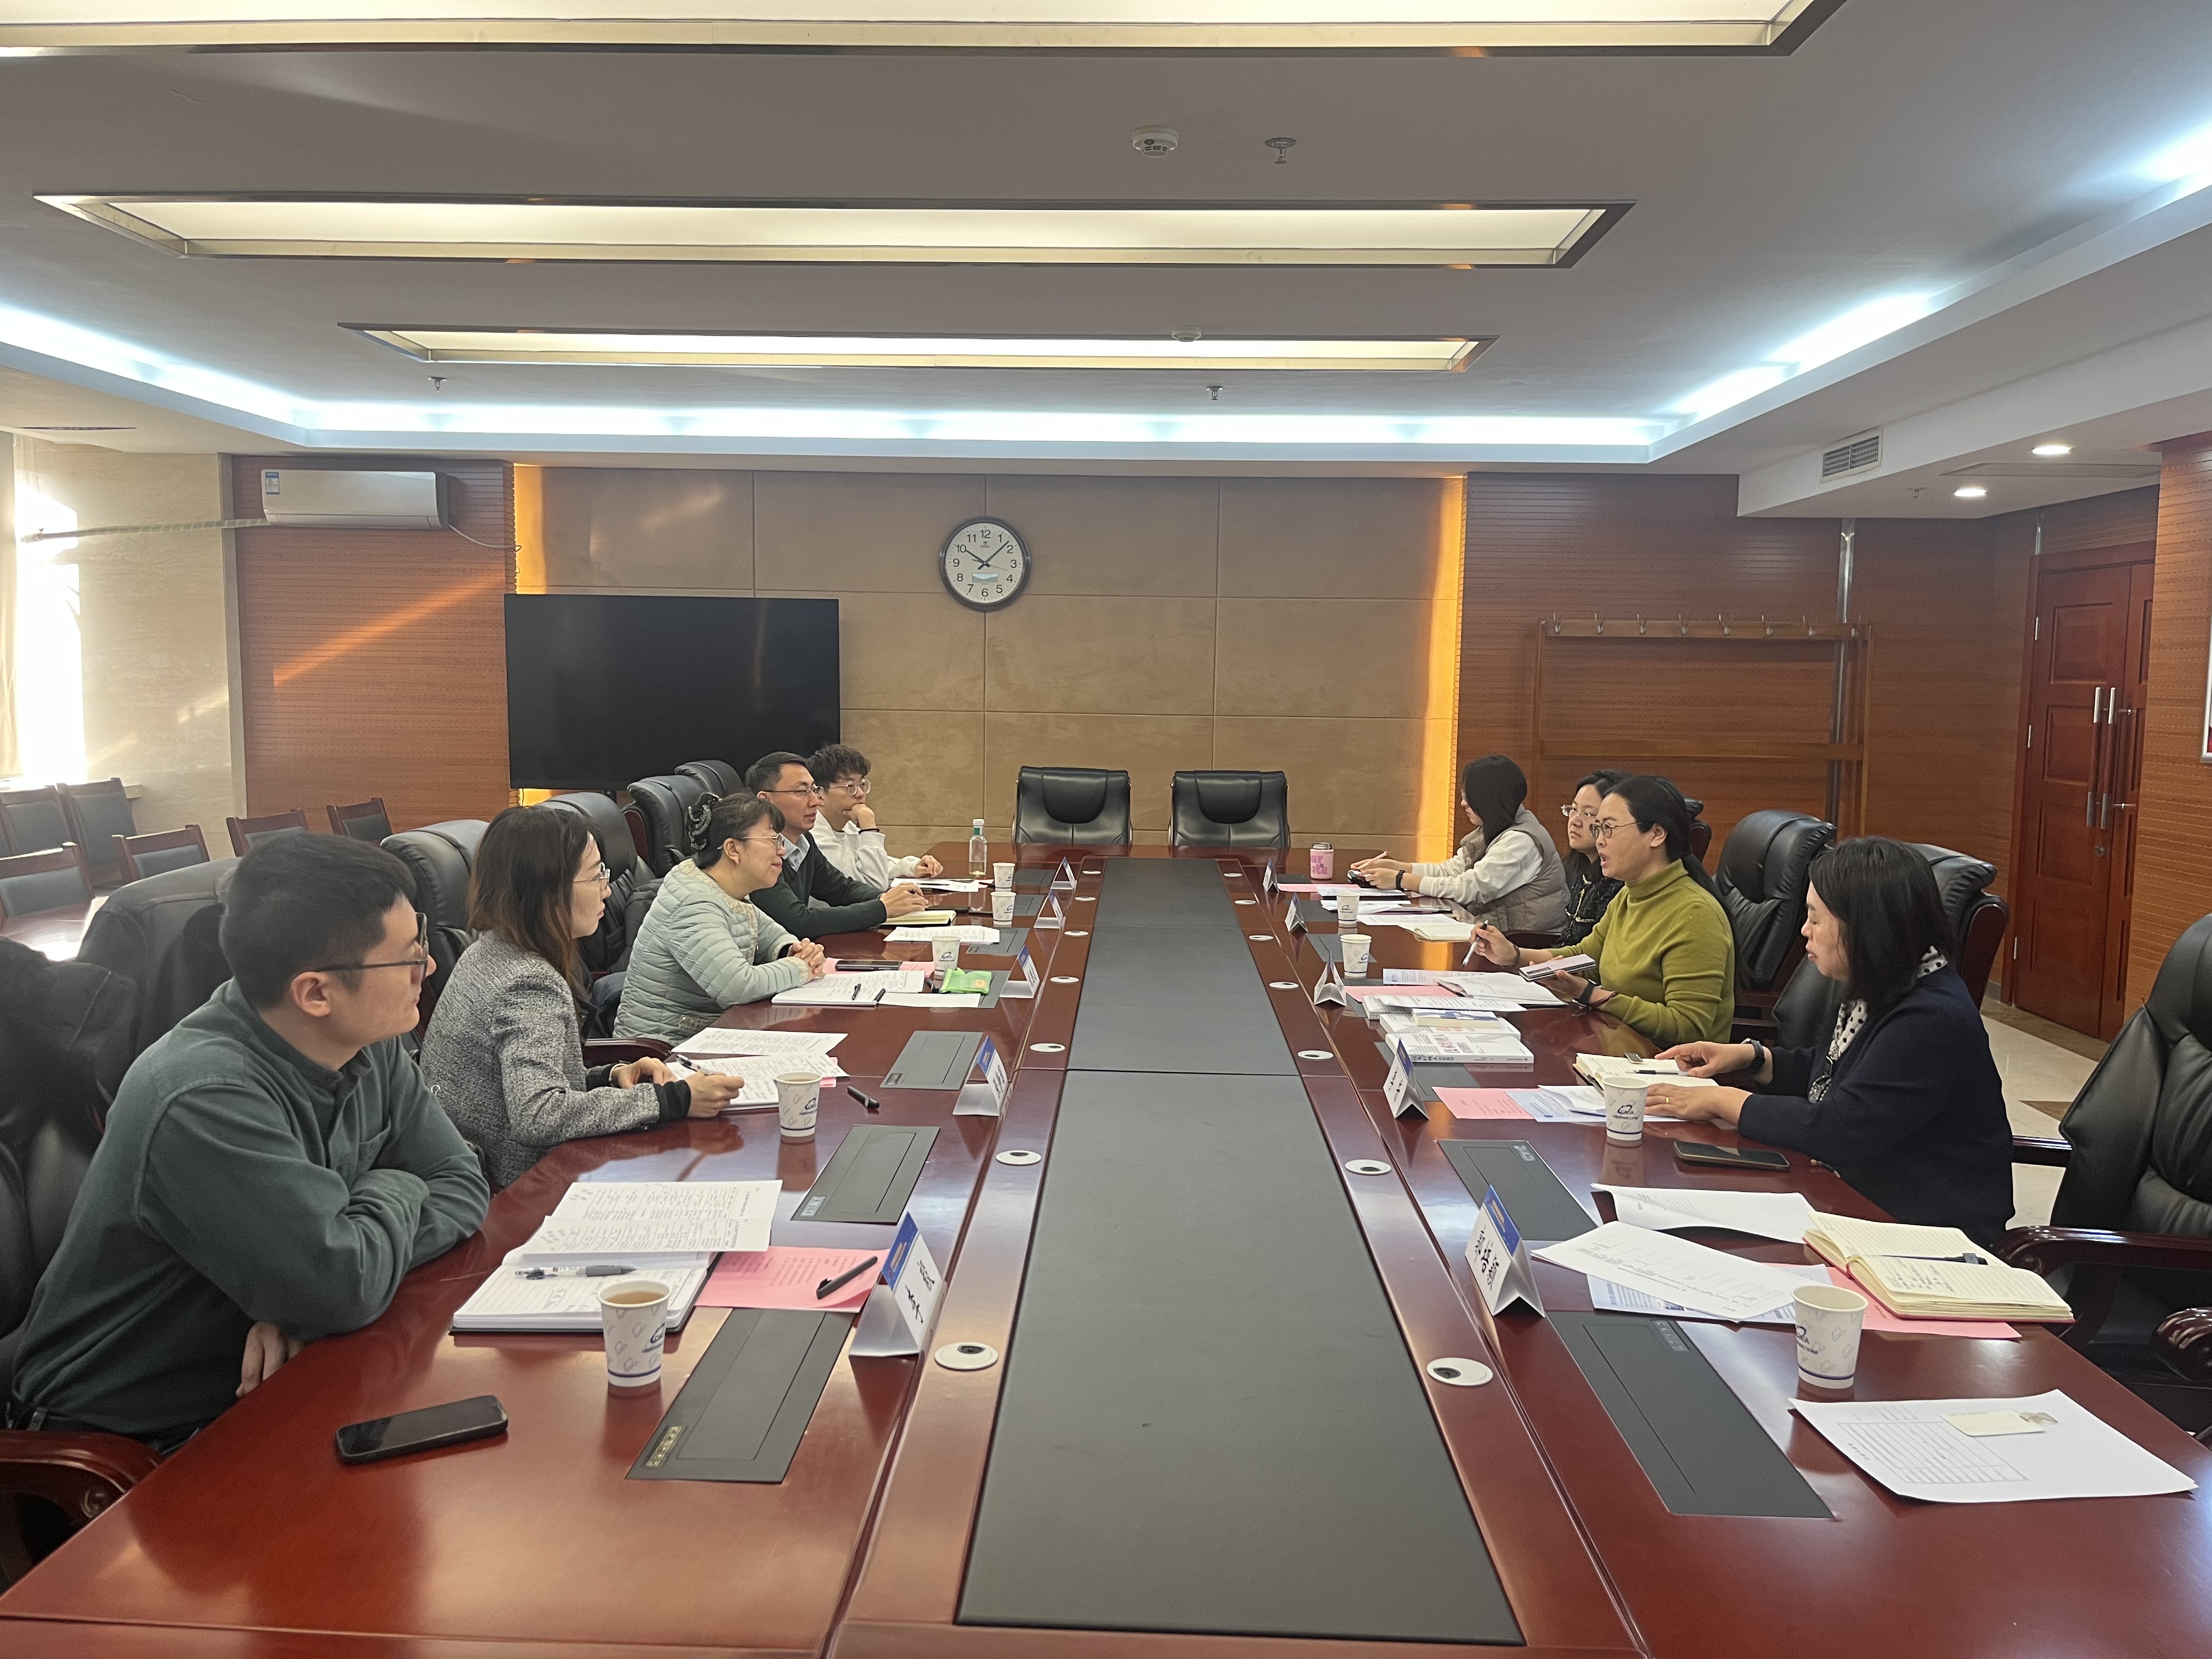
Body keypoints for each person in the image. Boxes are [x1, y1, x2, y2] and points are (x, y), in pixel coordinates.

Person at [5, 834, 489, 1449]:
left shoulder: (370, 1042)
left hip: (284, 1377)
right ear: (315, 993)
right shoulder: (204, 1094)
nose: (429, 968)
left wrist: (308, 1297)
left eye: (419, 942)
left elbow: (461, 1181)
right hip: (129, 1439)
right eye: (407, 958)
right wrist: (393, 1187)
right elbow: (342, 1287)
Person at [1646, 837, 2013, 1245]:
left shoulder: (1930, 1018)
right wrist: (1752, 1058)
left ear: (1865, 926)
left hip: (1924, 1232)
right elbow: (1843, 1071)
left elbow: (1839, 1129)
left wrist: (1723, 1101)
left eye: (1816, 919)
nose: (1804, 931)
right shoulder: (1885, 982)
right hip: (1858, 1197)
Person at [423, 806, 749, 1188]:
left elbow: (532, 1085)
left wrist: (610, 1076)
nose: (607, 890)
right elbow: (539, 1114)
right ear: (549, 889)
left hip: (499, 1169)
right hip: (524, 1188)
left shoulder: (488, 951)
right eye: (596, 875)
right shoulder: (528, 982)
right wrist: (675, 1100)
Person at [1468, 775, 1734, 1045]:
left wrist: (1592, 995)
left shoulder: (1696, 914)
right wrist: (1514, 955)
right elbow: (1584, 956)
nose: (1600, 841)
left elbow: (1688, 1027)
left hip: (1664, 1064)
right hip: (1617, 1047)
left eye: (1609, 829)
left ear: (1656, 834)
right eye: (1598, 829)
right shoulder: (1629, 895)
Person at [616, 796, 831, 1045]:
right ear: (733, 850)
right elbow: (737, 986)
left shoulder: (726, 890)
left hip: (711, 1034)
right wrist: (800, 968)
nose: (782, 850)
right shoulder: (692, 903)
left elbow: (774, 936)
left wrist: (793, 951)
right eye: (773, 840)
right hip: (664, 1049)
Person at [1353, 755, 1566, 932]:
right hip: (1494, 930)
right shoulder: (1495, 827)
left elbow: (1470, 887)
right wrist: (1400, 867)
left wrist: (1401, 880)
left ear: (1488, 799)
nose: (1463, 803)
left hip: (1525, 941)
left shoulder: (1521, 841)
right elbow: (1453, 870)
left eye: (1468, 797)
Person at [744, 751, 930, 939]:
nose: (815, 801)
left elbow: (841, 889)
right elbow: (799, 921)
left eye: (814, 790)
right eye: (802, 792)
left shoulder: (804, 841)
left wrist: (886, 897)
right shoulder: (755, 852)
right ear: (765, 800)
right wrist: (883, 907)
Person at [807, 742, 944, 892]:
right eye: (850, 786)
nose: (860, 793)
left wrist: (912, 866)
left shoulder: (846, 826)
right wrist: (869, 828)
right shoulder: (815, 837)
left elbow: (871, 865)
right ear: (820, 793)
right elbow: (873, 886)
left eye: (862, 784)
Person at [1558, 767, 1628, 945]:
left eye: (1589, 814)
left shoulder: (1619, 881)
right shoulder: (1582, 868)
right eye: (1573, 810)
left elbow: (1597, 952)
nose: (1575, 821)